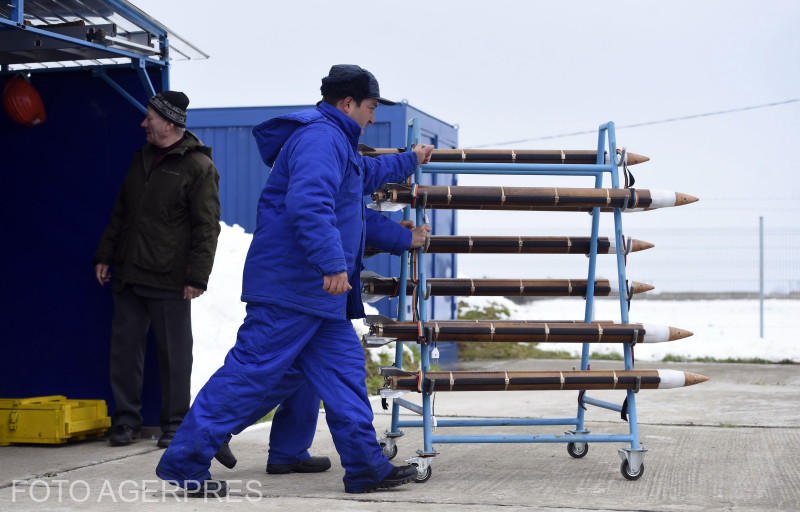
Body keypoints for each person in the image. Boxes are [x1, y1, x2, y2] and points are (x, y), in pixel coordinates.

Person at [155, 64, 434, 496]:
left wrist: (410, 160)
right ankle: (185, 462)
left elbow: (363, 175)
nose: (373, 117)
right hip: (293, 288)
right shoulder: (319, 138)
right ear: (348, 103)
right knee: (248, 375)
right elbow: (309, 204)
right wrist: (332, 264)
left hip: (318, 298)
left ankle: (365, 467)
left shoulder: (335, 140)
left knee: (344, 379)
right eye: (371, 107)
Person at [212, 212, 431, 473]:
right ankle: (216, 429)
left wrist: (386, 234)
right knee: (285, 370)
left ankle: (288, 450)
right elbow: (328, 212)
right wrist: (399, 237)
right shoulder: (321, 171)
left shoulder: (308, 172)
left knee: (301, 372)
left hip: (304, 283)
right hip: (306, 287)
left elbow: (343, 220)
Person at [93, 91, 221, 449]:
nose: (142, 123)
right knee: (124, 352)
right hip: (129, 273)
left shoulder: (199, 167)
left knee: (174, 355)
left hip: (170, 278)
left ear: (168, 123)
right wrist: (106, 255)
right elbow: (122, 212)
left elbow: (207, 226)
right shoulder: (141, 159)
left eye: (148, 117)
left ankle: (175, 424)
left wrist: (198, 276)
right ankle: (126, 422)